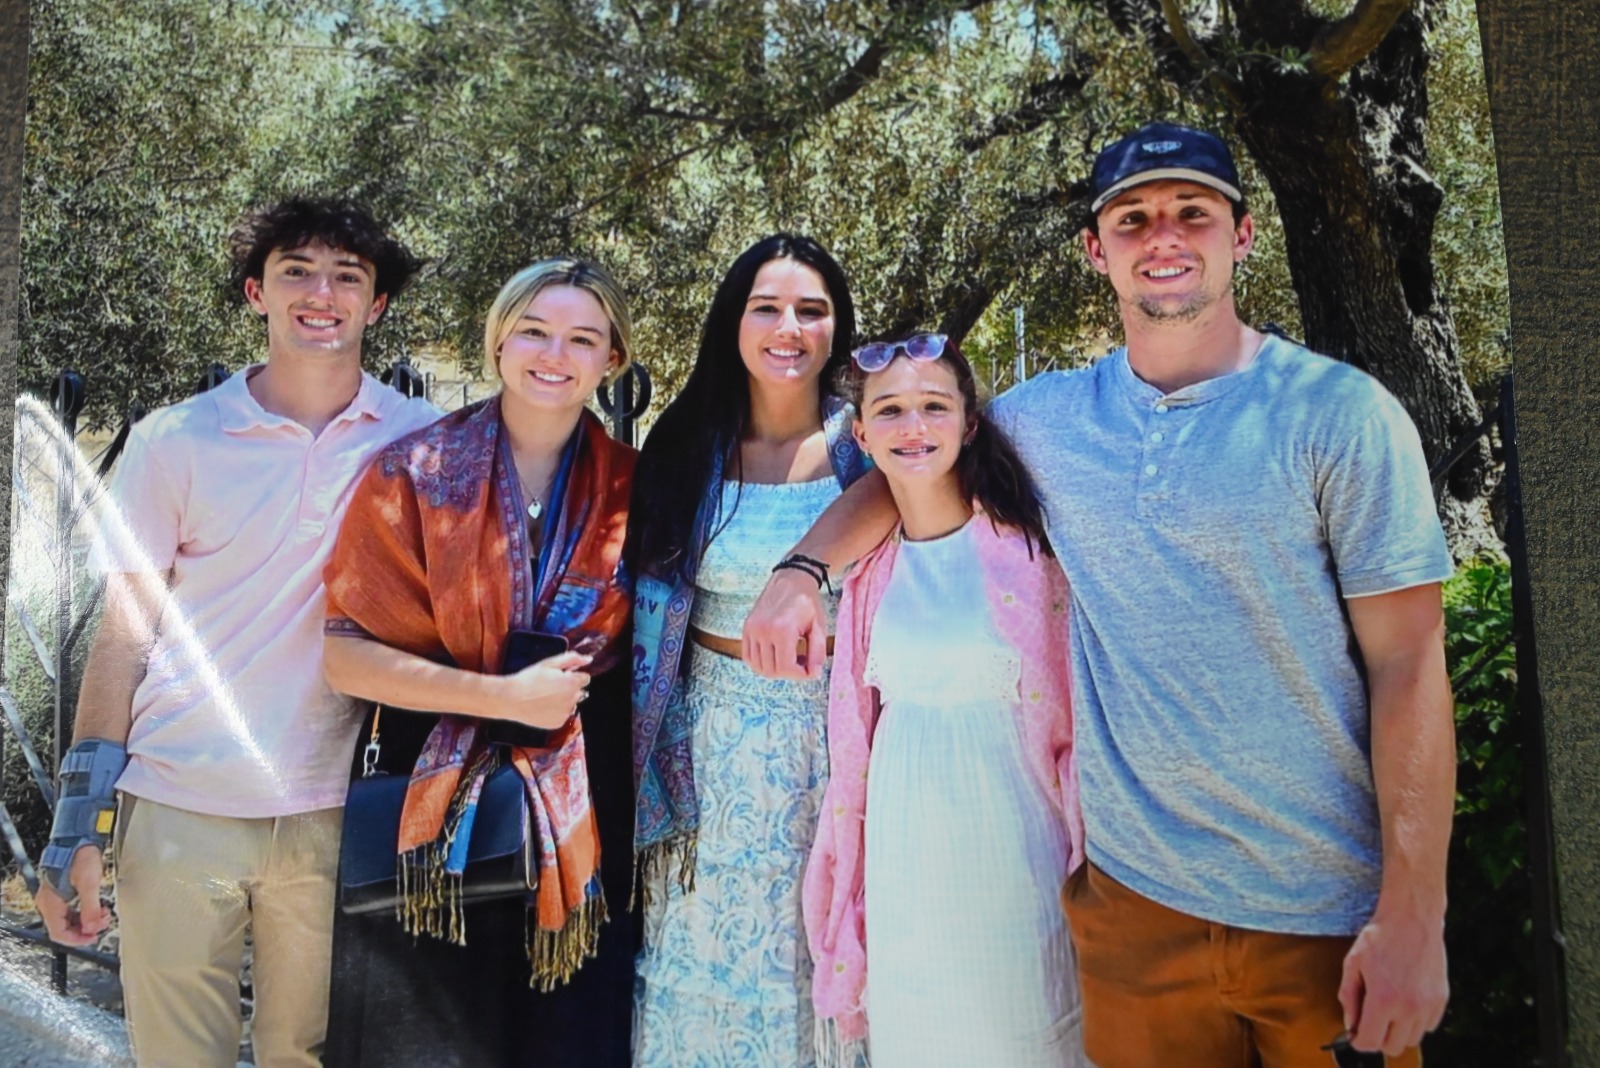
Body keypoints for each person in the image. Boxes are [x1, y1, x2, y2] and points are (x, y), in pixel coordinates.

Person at [745, 121, 1456, 1067]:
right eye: (1132, 219)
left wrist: (1414, 914)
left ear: (1242, 235)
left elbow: (1410, 665)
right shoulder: (1047, 420)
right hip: (1133, 914)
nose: (1164, 236)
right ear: (1095, 249)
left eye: (1193, 212)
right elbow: (912, 461)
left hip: (1321, 915)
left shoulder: (1340, 416)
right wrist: (800, 571)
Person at [32, 197, 439, 1067]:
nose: (321, 294)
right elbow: (122, 638)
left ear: (377, 305)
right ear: (257, 292)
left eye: (347, 277)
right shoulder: (175, 441)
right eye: (296, 272)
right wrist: (74, 831)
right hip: (180, 804)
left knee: (313, 1057)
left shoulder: (419, 442)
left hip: (336, 810)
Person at [318, 257, 638, 1068]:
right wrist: (502, 697)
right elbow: (345, 658)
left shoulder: (641, 490)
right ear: (498, 343)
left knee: (565, 1043)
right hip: (431, 799)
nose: (554, 354)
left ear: (612, 359)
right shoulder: (414, 473)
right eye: (533, 331)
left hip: (585, 799)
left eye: (582, 338)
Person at [803, 332, 1089, 1068]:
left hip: (1015, 859)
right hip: (905, 868)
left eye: (934, 406)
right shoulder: (868, 573)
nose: (914, 425)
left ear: (969, 422)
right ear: (861, 434)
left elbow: (1073, 732)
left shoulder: (1029, 559)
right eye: (890, 410)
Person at [628, 234, 879, 1066]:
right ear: (733, 322)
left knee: (824, 959)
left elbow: (919, 487)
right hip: (705, 753)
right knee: (706, 961)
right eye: (766, 308)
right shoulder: (683, 446)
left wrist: (806, 569)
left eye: (811, 310)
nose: (788, 328)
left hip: (836, 746)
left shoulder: (869, 445)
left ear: (837, 327)